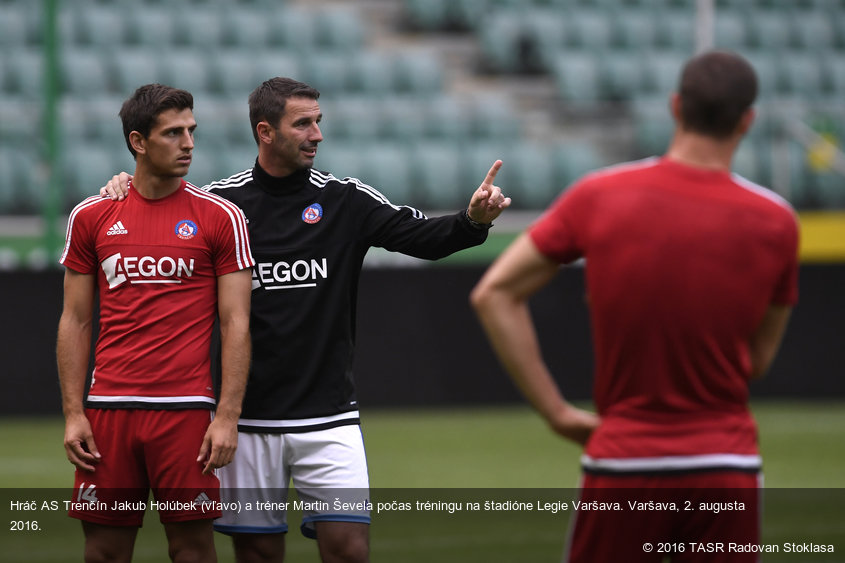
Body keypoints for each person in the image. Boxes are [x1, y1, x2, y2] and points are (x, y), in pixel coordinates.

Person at [103, 76, 510, 563]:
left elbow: (421, 237)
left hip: (329, 418)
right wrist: (123, 186)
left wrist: (473, 221)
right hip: (246, 421)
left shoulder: (345, 200)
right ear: (266, 131)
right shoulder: (221, 206)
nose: (317, 134)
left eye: (318, 122)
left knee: (350, 549)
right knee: (258, 555)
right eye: (303, 124)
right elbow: (159, 214)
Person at [470, 51, 798, 562]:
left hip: (624, 460)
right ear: (747, 120)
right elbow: (756, 361)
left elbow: (494, 293)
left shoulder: (599, 195)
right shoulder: (777, 222)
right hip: (725, 462)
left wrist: (557, 414)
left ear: (674, 107)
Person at [58, 83, 255, 562]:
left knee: (191, 548)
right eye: (173, 133)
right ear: (138, 142)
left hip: (186, 411)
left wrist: (226, 418)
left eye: (191, 131)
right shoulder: (92, 215)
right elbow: (76, 320)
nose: (188, 143)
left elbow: (236, 324)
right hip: (109, 410)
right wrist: (73, 412)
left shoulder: (221, 217)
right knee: (103, 549)